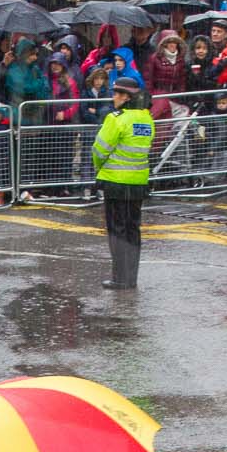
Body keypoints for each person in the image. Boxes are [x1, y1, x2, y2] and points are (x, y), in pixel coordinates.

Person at [93, 72, 155, 291]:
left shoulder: (116, 119)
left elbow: (99, 149)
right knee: (133, 230)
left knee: (117, 231)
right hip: (138, 182)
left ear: (126, 97)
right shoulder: (147, 119)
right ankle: (131, 278)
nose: (114, 98)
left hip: (115, 182)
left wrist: (98, 168)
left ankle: (119, 278)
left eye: (117, 94)